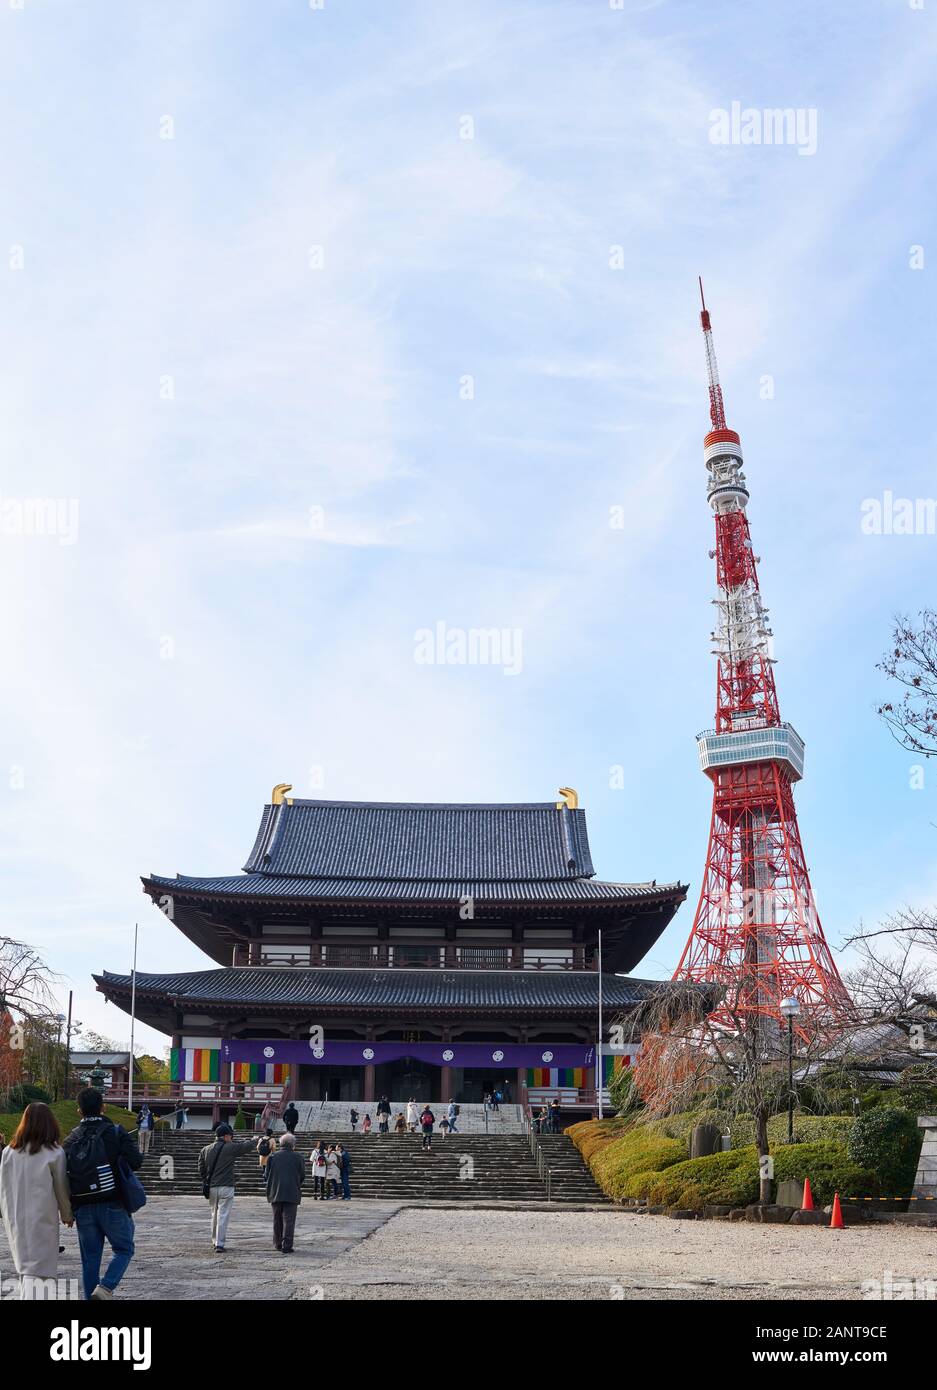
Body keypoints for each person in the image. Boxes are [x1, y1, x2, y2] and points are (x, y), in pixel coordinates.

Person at [63, 1087, 143, 1300]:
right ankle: (106, 1287)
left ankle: (91, 1299)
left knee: (90, 1259)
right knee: (124, 1249)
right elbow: (136, 1162)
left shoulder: (71, 1139)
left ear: (79, 1111)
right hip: (113, 1202)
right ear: (103, 1107)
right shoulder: (114, 1132)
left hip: (83, 1207)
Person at [0, 1102, 74, 1300]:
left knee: (26, 1268)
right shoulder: (55, 1153)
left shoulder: (8, 1152)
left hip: (14, 1217)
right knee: (41, 1270)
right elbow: (61, 1188)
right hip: (42, 1217)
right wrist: (67, 1214)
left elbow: (3, 1186)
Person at [196, 1122, 255, 1252]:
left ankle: (214, 1240)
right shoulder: (230, 1148)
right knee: (223, 1215)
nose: (232, 1138)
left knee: (214, 1214)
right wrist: (254, 1140)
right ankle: (219, 1243)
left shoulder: (205, 1149)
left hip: (212, 1186)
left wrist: (206, 1179)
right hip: (226, 1185)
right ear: (226, 1136)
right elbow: (244, 1147)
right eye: (231, 1136)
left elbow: (201, 1168)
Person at [264, 1132, 305, 1253]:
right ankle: (287, 1245)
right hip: (292, 1191)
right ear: (293, 1145)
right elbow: (302, 1175)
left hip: (275, 1191)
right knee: (289, 1220)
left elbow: (266, 1175)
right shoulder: (298, 1157)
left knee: (277, 1219)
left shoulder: (272, 1157)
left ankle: (277, 1243)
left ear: (280, 1143)